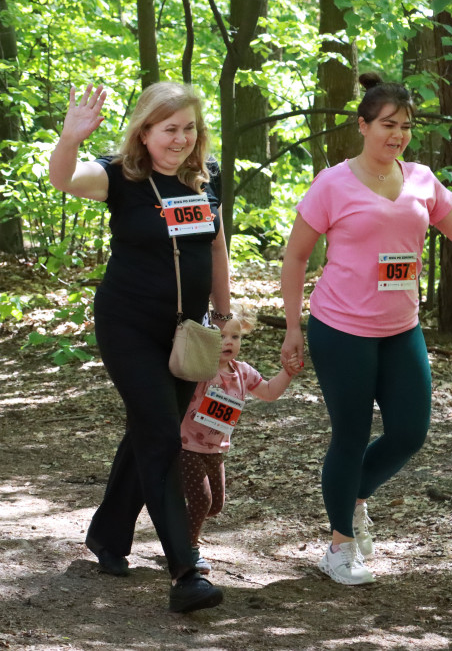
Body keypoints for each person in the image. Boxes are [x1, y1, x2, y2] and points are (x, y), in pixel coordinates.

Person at [279, 72, 452, 585]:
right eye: (387, 125)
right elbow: (296, 257)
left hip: (401, 329)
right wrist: (292, 327)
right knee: (350, 437)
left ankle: (353, 498)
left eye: (405, 126)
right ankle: (340, 546)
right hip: (341, 329)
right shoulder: (332, 183)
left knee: (409, 432)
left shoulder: (421, 179)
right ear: (363, 126)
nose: (397, 135)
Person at [48, 82, 231, 613]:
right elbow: (64, 178)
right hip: (128, 326)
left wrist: (222, 317)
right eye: (169, 129)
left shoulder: (206, 177)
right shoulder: (121, 177)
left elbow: (216, 245)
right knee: (159, 435)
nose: (181, 139)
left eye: (189, 128)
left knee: (148, 432)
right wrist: (70, 138)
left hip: (186, 333)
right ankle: (184, 570)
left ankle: (107, 535)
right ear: (145, 132)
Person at [180, 313, 297, 574]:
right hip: (185, 446)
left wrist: (287, 372)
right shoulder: (200, 368)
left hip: (215, 450)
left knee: (215, 504)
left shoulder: (242, 372)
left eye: (234, 336)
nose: (227, 341)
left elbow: (268, 391)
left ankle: (177, 529)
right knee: (202, 500)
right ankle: (187, 551)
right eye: (220, 336)